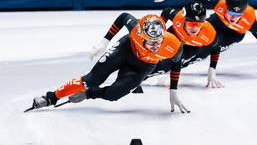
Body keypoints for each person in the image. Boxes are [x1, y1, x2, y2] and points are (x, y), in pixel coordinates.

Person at [28, 13, 189, 113]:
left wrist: (173, 90)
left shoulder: (174, 44)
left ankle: (89, 94)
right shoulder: (135, 29)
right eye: (150, 42)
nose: (155, 46)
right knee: (91, 79)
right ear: (141, 35)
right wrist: (104, 42)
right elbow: (123, 17)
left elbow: (176, 63)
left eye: (158, 41)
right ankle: (51, 97)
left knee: (113, 95)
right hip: (126, 49)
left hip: (143, 66)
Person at [151, 0, 257, 87]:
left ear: (243, 13)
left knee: (201, 52)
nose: (233, 18)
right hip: (216, 24)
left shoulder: (249, 19)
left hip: (233, 35)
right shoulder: (219, 4)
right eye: (231, 12)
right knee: (195, 33)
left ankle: (176, 66)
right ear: (225, 7)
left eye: (237, 14)